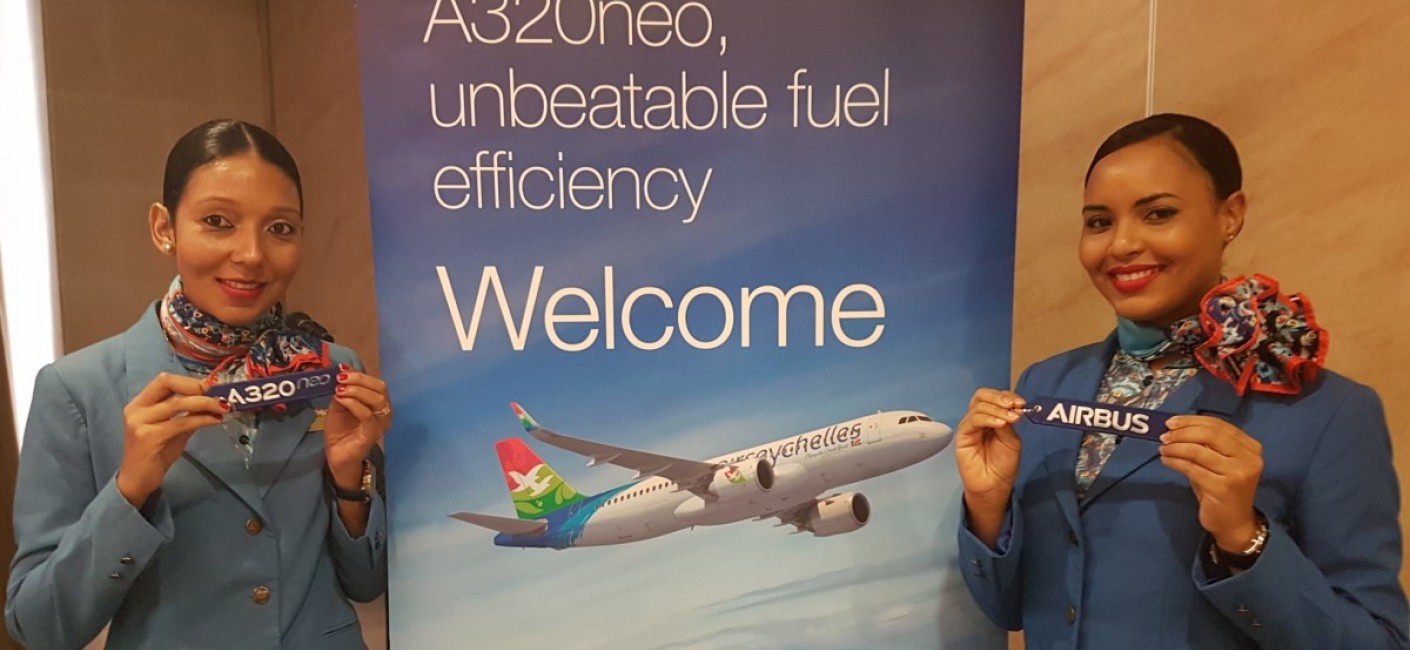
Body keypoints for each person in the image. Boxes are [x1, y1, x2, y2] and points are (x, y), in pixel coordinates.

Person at [955, 113, 1409, 648]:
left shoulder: (1328, 412)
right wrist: (988, 507)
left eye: (1159, 214)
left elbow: (1380, 640)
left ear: (1230, 216)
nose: (1122, 244)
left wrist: (1245, 540)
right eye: (1099, 222)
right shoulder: (1046, 383)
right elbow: (1012, 610)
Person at [5, 119, 390, 649]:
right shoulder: (77, 390)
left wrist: (350, 481)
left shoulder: (331, 371)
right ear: (164, 228)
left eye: (280, 228)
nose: (252, 254)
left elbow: (370, 583)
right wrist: (129, 491)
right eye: (217, 221)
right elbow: (40, 626)